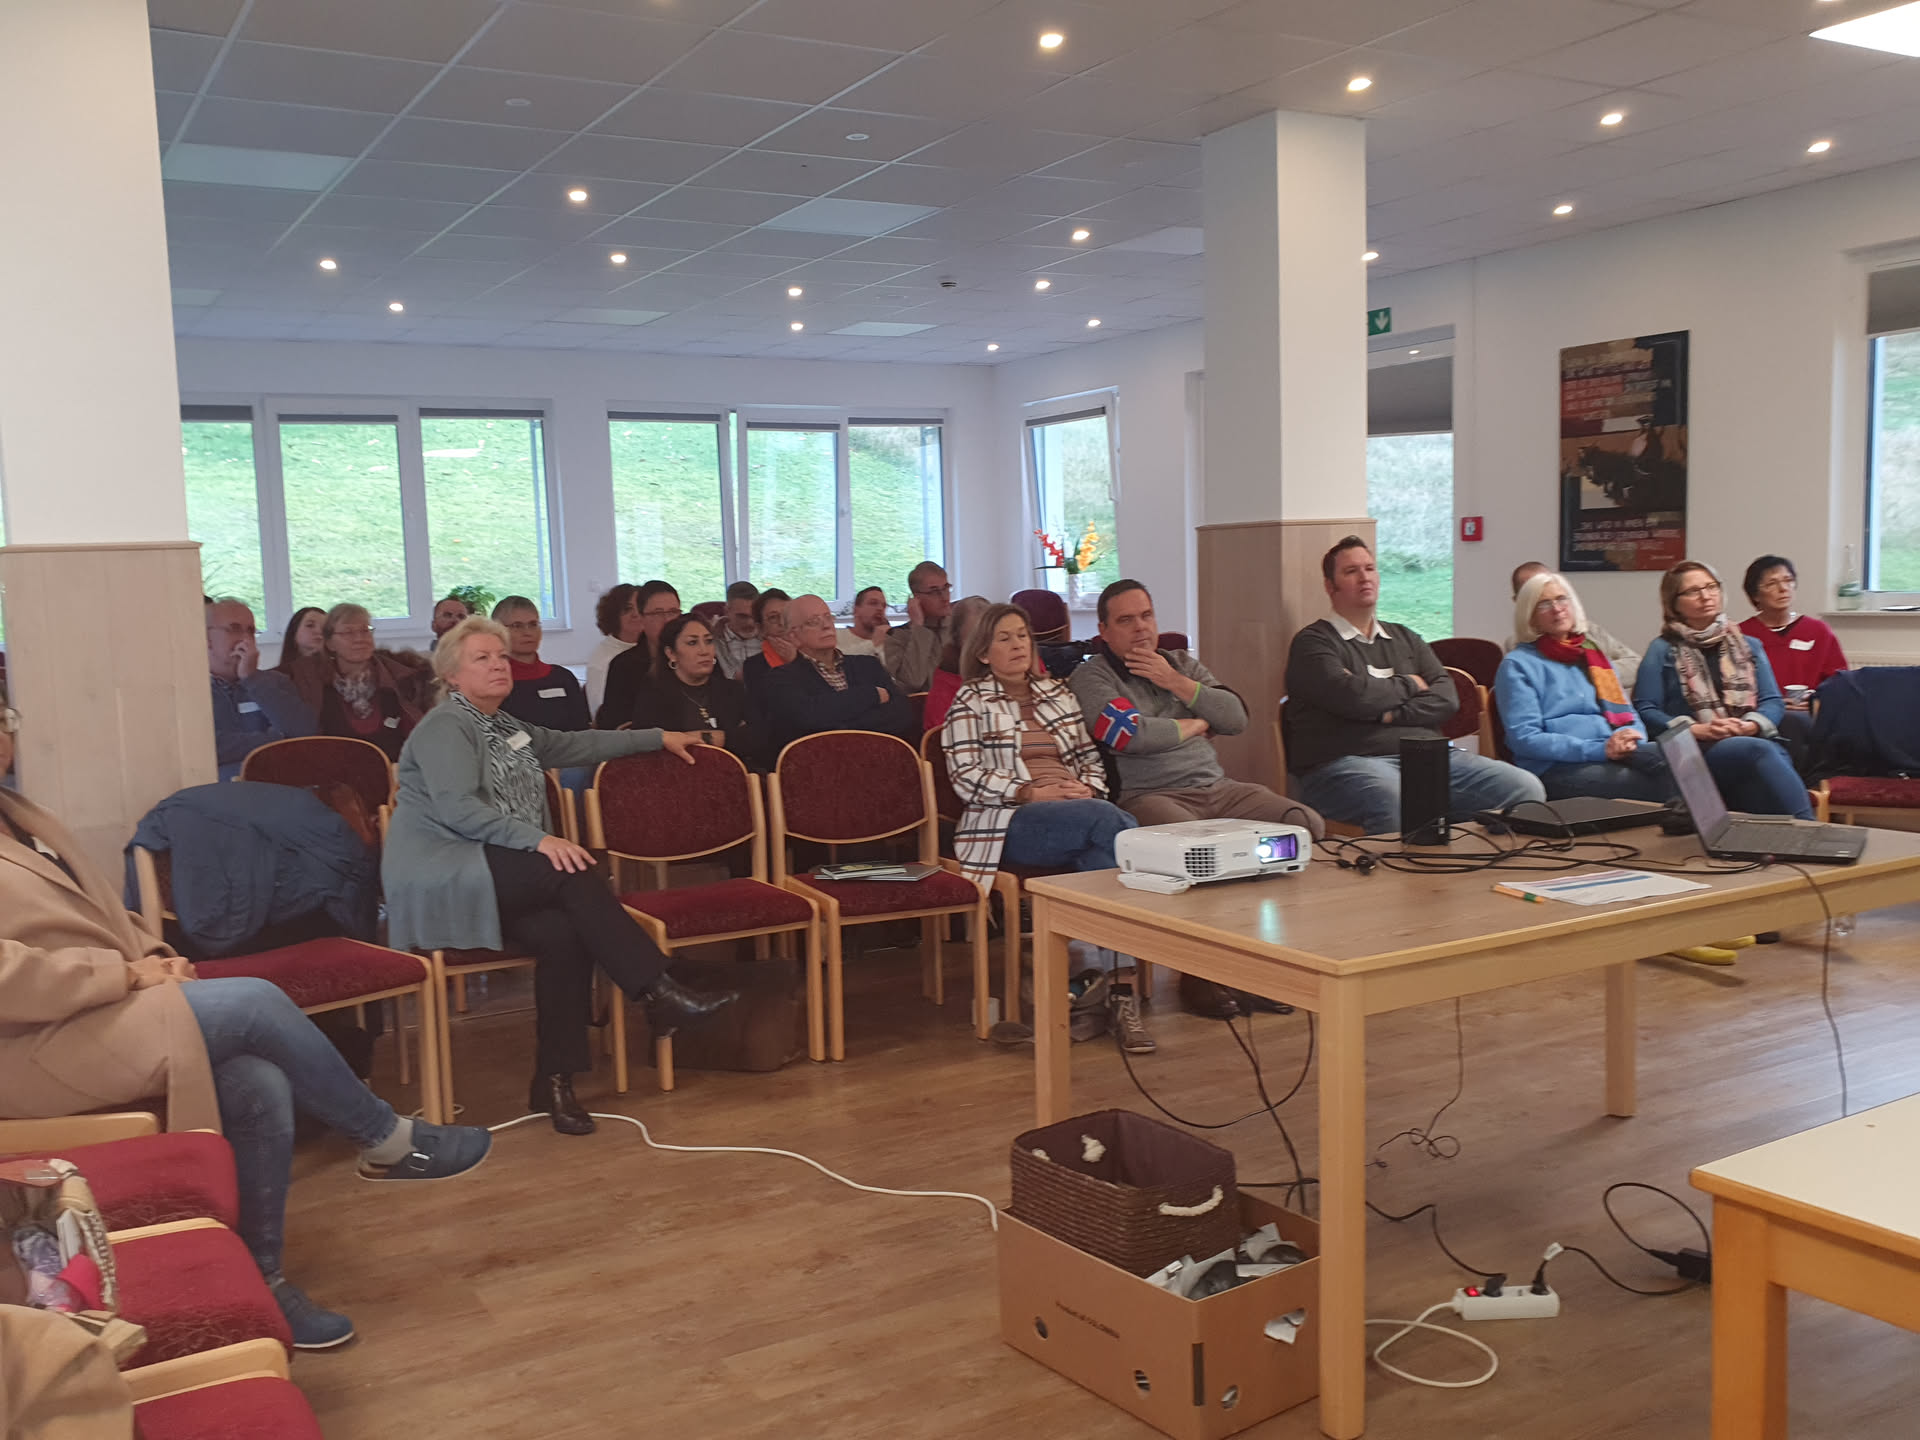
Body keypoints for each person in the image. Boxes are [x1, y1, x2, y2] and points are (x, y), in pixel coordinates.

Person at [0, 682, 492, 1350]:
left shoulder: (19, 812)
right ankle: (385, 1139)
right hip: (31, 1045)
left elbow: (103, 914)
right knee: (252, 1000)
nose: (5, 737)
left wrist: (158, 957)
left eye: (5, 719)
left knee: (257, 1081)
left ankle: (262, 1277)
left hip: (96, 1012)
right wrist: (125, 976)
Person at [382, 616, 736, 1135]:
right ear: (452, 676)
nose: (499, 665)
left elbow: (578, 745)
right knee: (571, 868)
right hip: (446, 869)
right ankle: (657, 990)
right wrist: (540, 840)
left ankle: (553, 1081)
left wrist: (660, 736)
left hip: (500, 868)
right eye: (482, 658)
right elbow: (458, 810)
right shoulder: (446, 726)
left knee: (565, 934)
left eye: (501, 656)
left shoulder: (505, 726)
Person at [942, 603, 1153, 1053]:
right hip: (1008, 821)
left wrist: (1086, 788)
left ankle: (1114, 994)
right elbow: (965, 777)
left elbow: (1090, 759)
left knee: (1103, 853)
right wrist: (1029, 792)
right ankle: (1111, 987)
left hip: (1078, 816)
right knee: (1116, 829)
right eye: (1004, 638)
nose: (1018, 644)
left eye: (1022, 635)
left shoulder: (1057, 692)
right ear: (983, 653)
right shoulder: (969, 701)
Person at [1287, 538, 1544, 835]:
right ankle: (1394, 867)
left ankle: (1473, 861)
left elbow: (1447, 698)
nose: (1364, 577)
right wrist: (1411, 683)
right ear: (1330, 586)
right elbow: (1354, 698)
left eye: (1370, 568)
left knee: (1524, 789)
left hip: (1429, 757)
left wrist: (1386, 712)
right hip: (1346, 765)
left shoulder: (1406, 638)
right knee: (1395, 797)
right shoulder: (1313, 643)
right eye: (1351, 571)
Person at [1071, 580, 1326, 835]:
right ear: (1104, 631)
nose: (1140, 627)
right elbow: (1132, 735)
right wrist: (1198, 724)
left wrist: (1173, 680)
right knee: (1200, 843)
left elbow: (1236, 719)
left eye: (1146, 615)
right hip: (1149, 796)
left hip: (1218, 788)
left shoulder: (1181, 663)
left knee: (1304, 822)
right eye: (1125, 620)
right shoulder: (1092, 676)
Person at [1634, 560, 1812, 818]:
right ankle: (1811, 826)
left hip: (1745, 735)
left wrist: (1750, 724)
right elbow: (1645, 707)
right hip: (1693, 745)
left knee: (1764, 758)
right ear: (1674, 603)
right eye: (1693, 591)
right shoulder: (1661, 649)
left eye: (1711, 587)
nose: (1706, 596)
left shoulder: (1748, 644)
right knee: (1761, 750)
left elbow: (1772, 700)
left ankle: (1778, 835)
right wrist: (1695, 729)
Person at [1494, 572, 1673, 802]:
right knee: (1649, 783)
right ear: (1529, 617)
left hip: (1614, 752)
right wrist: (1599, 749)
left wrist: (1631, 737)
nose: (1557, 609)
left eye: (1562, 599)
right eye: (1544, 604)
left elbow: (1629, 714)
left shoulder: (1593, 654)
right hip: (1556, 767)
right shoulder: (1518, 665)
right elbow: (1526, 739)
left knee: (1683, 760)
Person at [759, 595, 916, 753]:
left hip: (877, 757)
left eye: (828, 617)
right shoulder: (781, 678)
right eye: (814, 621)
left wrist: (837, 723)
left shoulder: (868, 665)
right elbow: (809, 719)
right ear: (794, 636)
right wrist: (871, 694)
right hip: (821, 764)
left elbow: (902, 714)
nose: (826, 626)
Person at [288, 603, 433, 762]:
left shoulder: (402, 677)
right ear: (329, 643)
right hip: (333, 772)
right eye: (348, 632)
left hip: (397, 770)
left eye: (365, 631)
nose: (359, 639)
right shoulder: (312, 683)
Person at [206, 598, 315, 780]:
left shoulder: (275, 682)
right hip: (220, 791)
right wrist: (276, 740)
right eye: (234, 629)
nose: (245, 638)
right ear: (206, 638)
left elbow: (304, 735)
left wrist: (252, 678)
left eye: (251, 631)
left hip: (279, 787)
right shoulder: (193, 691)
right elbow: (209, 747)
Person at [630, 614, 757, 764]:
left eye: (709, 641)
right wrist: (723, 737)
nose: (704, 651)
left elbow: (756, 740)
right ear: (671, 653)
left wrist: (692, 737)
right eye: (692, 643)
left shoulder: (733, 690)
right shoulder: (653, 697)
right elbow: (651, 749)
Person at [1739, 553, 1848, 716]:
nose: (1783, 588)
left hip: (1811, 714)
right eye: (1771, 584)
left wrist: (1816, 699)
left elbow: (1839, 681)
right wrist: (1771, 704)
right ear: (1755, 595)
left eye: (1788, 580)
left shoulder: (1818, 630)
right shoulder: (1742, 634)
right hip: (1761, 714)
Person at [1506, 560, 1640, 688]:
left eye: (1560, 598)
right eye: (1542, 602)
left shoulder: (1589, 631)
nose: (1556, 608)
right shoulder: (1518, 649)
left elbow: (1635, 664)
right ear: (1520, 602)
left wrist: (1599, 671)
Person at [492, 596, 590, 732]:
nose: (527, 632)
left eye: (533, 624)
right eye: (517, 626)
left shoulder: (563, 677)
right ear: (497, 631)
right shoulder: (493, 681)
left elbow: (582, 729)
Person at [594, 580, 681, 730]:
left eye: (673, 612)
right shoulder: (624, 666)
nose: (667, 620)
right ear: (641, 618)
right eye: (658, 613)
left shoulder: (694, 656)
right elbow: (616, 725)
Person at [922, 594, 992, 732]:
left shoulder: (1012, 669)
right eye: (973, 639)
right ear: (957, 639)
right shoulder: (946, 684)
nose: (982, 646)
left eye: (989, 637)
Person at [883, 561, 953, 693]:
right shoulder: (897, 636)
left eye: (946, 588)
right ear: (916, 598)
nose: (945, 597)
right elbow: (914, 681)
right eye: (934, 591)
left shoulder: (958, 629)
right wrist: (919, 628)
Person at [584, 583, 641, 715]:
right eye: (627, 609)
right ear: (614, 614)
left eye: (640, 607)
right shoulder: (603, 661)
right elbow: (600, 713)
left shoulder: (653, 648)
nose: (636, 614)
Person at [738, 587, 794, 697]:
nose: (782, 623)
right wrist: (793, 664)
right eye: (773, 617)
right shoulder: (754, 666)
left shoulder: (815, 653)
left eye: (786, 615)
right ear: (760, 629)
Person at [713, 580, 762, 680]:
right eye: (742, 616)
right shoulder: (714, 640)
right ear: (727, 611)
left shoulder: (770, 636)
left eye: (754, 615)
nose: (750, 622)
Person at [839, 585, 889, 659]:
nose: (880, 608)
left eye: (884, 606)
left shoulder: (889, 643)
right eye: (873, 603)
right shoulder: (837, 637)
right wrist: (875, 643)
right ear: (855, 610)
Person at [274, 605, 326, 672]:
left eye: (324, 627)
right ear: (294, 631)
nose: (319, 631)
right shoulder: (276, 675)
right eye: (310, 625)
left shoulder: (335, 673)